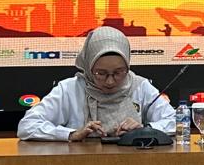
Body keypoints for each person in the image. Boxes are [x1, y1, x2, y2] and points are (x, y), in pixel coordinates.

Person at [18, 26, 175, 141]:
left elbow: (176, 122)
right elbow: (27, 126)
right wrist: (71, 134)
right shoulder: (69, 89)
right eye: (101, 73)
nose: (110, 81)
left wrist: (144, 130)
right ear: (88, 68)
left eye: (119, 73)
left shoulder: (140, 86)